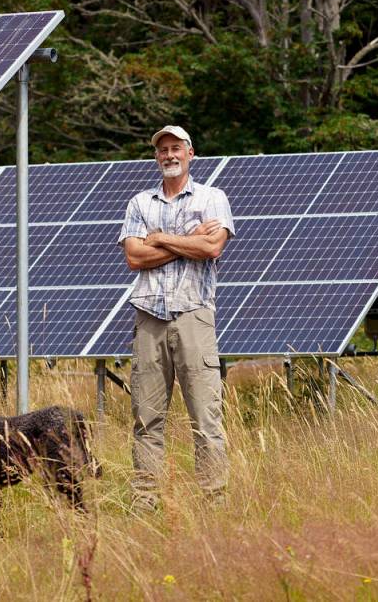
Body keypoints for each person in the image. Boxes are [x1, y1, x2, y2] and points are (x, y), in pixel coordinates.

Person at [117, 124, 235, 510]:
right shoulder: (140, 203)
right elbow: (135, 257)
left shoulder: (212, 197)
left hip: (193, 317)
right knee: (146, 421)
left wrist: (161, 238)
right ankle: (145, 502)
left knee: (205, 417)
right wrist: (188, 239)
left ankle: (213, 502)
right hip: (149, 317)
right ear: (156, 156)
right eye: (162, 150)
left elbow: (212, 247)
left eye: (176, 148)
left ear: (190, 153)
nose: (169, 155)